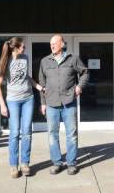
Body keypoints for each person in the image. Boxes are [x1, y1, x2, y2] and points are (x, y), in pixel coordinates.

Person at [38, 34, 89, 175]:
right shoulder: (44, 61)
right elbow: (42, 84)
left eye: (54, 43)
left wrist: (79, 86)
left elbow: (85, 73)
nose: (52, 46)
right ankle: (57, 163)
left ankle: (72, 163)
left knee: (71, 134)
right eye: (50, 44)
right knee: (52, 135)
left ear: (62, 44)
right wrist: (42, 103)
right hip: (51, 103)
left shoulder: (73, 59)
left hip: (69, 102)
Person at [0, 37, 44, 178]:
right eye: (23, 47)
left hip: (28, 99)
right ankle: (13, 166)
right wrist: (2, 104)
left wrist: (38, 86)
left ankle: (25, 163)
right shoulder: (5, 63)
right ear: (15, 48)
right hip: (13, 101)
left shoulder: (25, 59)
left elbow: (26, 77)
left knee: (27, 132)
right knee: (15, 133)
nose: (25, 49)